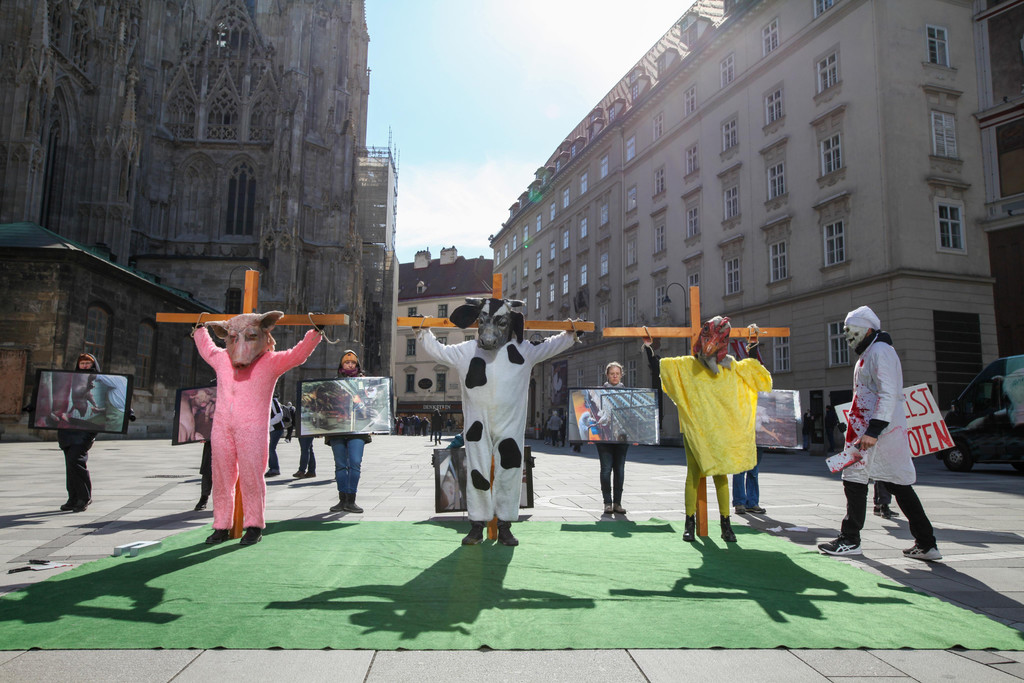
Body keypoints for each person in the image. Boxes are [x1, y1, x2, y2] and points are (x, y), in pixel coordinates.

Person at [818, 305, 941, 561]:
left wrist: (873, 429)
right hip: (873, 430)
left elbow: (888, 393)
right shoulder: (871, 352)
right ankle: (926, 543)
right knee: (897, 484)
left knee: (855, 479)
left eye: (850, 330)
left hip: (877, 432)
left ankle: (850, 539)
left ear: (867, 329)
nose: (847, 335)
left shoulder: (880, 352)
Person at [658, 317, 771, 543]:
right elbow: (662, 368)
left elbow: (755, 376)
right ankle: (690, 523)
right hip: (696, 430)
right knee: (693, 475)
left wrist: (752, 346)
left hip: (719, 433)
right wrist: (649, 348)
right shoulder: (688, 366)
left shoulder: (731, 368)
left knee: (721, 475)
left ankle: (726, 524)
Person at [328, 350, 372, 513]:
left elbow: (371, 403)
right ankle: (342, 499)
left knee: (355, 462)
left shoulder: (363, 382)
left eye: (353, 362)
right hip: (338, 428)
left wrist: (361, 400)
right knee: (340, 465)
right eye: (347, 362)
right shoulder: (333, 382)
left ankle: (351, 499)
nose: (350, 365)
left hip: (357, 428)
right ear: (342, 364)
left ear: (357, 365)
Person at [56, 353, 101, 512]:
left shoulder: (97, 381)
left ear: (93, 365)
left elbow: (98, 400)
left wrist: (128, 413)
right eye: (82, 363)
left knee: (75, 459)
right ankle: (73, 498)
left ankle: (84, 497)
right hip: (67, 428)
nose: (85, 365)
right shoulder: (70, 380)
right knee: (70, 463)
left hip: (85, 429)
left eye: (88, 363)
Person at [596, 361, 629, 515]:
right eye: (612, 374)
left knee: (620, 470)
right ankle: (607, 503)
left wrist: (637, 436)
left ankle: (618, 503)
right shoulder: (600, 392)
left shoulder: (627, 393)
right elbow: (596, 413)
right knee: (606, 469)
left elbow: (629, 416)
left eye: (617, 374)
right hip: (605, 435)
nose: (615, 376)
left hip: (622, 436)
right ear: (607, 375)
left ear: (621, 375)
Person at [732, 448, 765, 515]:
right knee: (739, 471)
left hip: (757, 444)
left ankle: (752, 503)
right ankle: (739, 503)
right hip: (741, 443)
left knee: (753, 472)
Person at [265, 396, 286, 477]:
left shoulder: (272, 401)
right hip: (269, 429)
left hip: (276, 428)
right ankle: (272, 468)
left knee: (271, 448)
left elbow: (279, 415)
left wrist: (267, 423)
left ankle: (274, 469)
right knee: (269, 449)